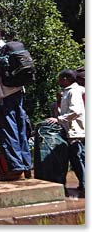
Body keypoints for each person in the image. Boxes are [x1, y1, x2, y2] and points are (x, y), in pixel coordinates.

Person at [0, 29, 32, 180]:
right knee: (21, 127)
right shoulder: (14, 47)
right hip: (19, 91)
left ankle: (15, 168)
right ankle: (27, 165)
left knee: (9, 129)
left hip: (3, 94)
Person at [46, 69, 85, 197]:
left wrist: (59, 119)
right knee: (78, 158)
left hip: (76, 131)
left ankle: (85, 186)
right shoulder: (70, 91)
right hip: (75, 130)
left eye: (59, 79)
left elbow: (76, 111)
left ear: (65, 79)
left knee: (78, 158)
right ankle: (83, 185)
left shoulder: (73, 92)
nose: (58, 81)